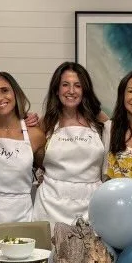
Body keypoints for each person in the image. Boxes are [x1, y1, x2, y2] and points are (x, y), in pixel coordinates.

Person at [32, 62, 107, 225]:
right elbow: (27, 154)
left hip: (92, 204)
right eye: (65, 85)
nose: (71, 91)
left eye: (77, 86)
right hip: (50, 205)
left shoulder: (99, 120)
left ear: (84, 90)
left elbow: (128, 132)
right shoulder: (47, 122)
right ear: (56, 90)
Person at [0, 72, 46, 225]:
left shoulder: (35, 135)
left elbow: (49, 173)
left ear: (15, 93)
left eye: (4, 90)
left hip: (20, 215)